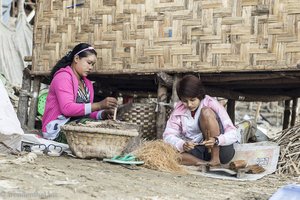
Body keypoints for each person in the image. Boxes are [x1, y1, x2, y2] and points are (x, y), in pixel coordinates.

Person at [42, 43, 117, 143]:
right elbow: (67, 109)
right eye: (88, 63)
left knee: (106, 128)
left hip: (75, 124)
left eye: (92, 64)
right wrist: (99, 105)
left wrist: (102, 114)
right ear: (76, 59)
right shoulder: (63, 77)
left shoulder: (87, 84)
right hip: (56, 130)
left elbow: (83, 113)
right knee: (98, 132)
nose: (90, 67)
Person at [163, 74, 240, 166]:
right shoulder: (179, 110)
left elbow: (233, 133)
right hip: (198, 151)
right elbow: (168, 136)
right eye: (185, 101)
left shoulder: (211, 103)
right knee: (168, 156)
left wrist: (217, 140)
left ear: (199, 95)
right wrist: (182, 144)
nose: (189, 104)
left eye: (192, 100)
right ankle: (206, 164)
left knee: (206, 112)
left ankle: (215, 160)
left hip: (221, 151)